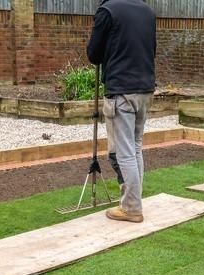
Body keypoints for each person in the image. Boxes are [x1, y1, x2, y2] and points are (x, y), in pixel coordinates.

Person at [86, 0, 156, 223]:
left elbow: (93, 54)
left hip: (121, 90)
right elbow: (152, 49)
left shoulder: (107, 11)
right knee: (135, 148)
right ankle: (132, 201)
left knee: (123, 151)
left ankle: (131, 208)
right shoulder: (147, 10)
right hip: (145, 89)